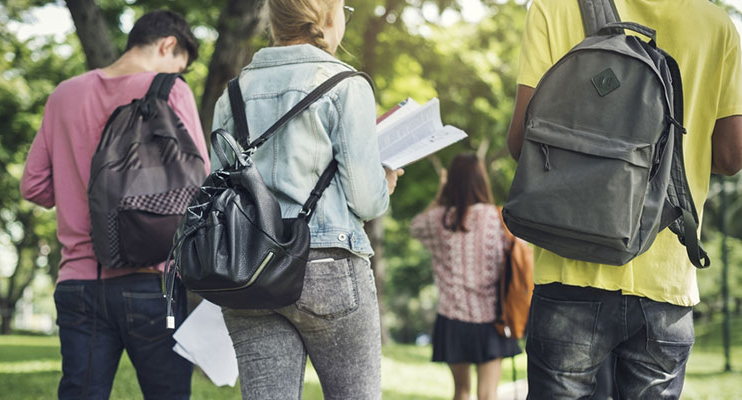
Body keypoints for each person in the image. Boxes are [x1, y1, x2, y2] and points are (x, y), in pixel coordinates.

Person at [506, 0, 742, 398]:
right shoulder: (716, 24)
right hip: (666, 273)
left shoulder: (555, 7)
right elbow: (731, 156)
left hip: (570, 265)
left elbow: (521, 142)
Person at [210, 0, 403, 398]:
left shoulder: (232, 95)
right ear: (330, 17)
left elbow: (219, 190)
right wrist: (384, 182)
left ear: (274, 22)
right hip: (328, 264)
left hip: (249, 270)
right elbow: (367, 202)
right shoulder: (345, 84)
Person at [20, 10, 210, 400]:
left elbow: (34, 186)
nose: (179, 75)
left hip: (78, 283)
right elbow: (200, 183)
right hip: (153, 280)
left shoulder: (64, 94)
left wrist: (79, 192)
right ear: (168, 44)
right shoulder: (172, 90)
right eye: (180, 67)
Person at [410, 153, 521, 400]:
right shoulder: (498, 217)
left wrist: (440, 194)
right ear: (481, 180)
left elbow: (414, 227)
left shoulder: (438, 219)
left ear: (452, 183)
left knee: (461, 391)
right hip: (492, 318)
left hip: (453, 318)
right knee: (487, 394)